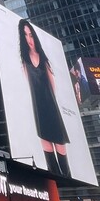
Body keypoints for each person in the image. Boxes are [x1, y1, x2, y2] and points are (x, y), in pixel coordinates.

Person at [18, 19, 70, 177]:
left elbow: (53, 87)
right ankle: (55, 181)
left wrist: (50, 103)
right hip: (39, 109)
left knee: (60, 146)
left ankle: (67, 179)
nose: (29, 39)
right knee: (48, 152)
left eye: (31, 34)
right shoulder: (25, 61)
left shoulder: (43, 59)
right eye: (25, 35)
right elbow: (29, 85)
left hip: (51, 108)